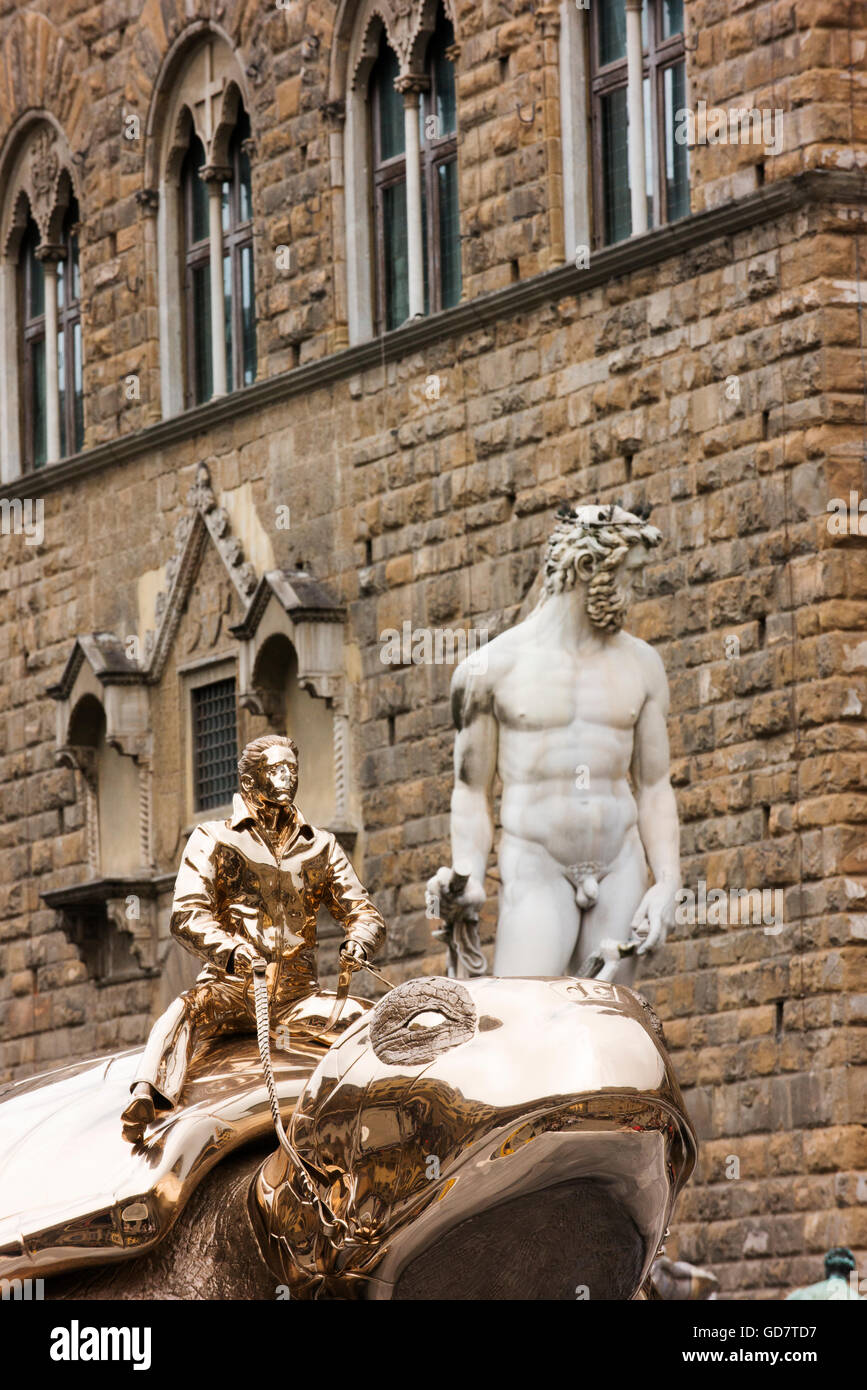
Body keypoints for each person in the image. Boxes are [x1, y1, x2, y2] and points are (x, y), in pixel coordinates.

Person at [427, 502, 680, 982]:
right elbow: (471, 790)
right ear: (588, 568)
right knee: (526, 1019)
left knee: (612, 1024)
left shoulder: (643, 665)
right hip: (537, 863)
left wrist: (668, 880)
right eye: (630, 576)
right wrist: (470, 874)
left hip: (620, 862)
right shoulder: (491, 669)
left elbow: (654, 785)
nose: (637, 590)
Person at [121, 734, 385, 1137]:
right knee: (184, 1013)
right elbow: (187, 914)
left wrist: (359, 940)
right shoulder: (214, 838)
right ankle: (147, 1095)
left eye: (292, 769)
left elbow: (364, 912)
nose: (287, 778)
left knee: (369, 1021)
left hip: (299, 999)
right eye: (276, 770)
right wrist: (231, 949)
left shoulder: (323, 846)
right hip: (232, 991)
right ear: (249, 783)